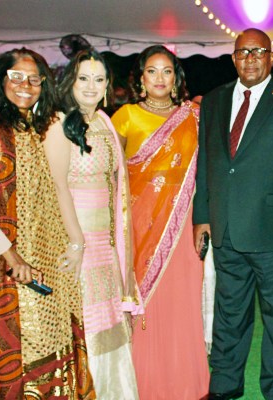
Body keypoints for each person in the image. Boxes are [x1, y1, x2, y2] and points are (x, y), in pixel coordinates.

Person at [0, 48, 94, 397]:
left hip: (34, 254)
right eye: (17, 77)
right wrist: (9, 255)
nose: (26, 86)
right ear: (1, 80)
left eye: (34, 79)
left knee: (41, 341)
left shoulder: (32, 126)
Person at [193, 28, 273, 400]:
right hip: (226, 227)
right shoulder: (213, 102)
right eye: (242, 52)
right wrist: (202, 215)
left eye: (257, 51)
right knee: (229, 315)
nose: (249, 58)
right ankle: (225, 385)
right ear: (233, 58)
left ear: (271, 56)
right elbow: (207, 164)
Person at [111, 45, 209, 400]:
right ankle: (144, 382)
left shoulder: (194, 116)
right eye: (152, 71)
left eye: (167, 71)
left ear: (176, 78)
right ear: (140, 78)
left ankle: (186, 382)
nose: (159, 79)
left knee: (182, 301)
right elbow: (112, 174)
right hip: (139, 225)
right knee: (144, 302)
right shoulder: (124, 117)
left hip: (182, 225)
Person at [50, 49, 139, 399]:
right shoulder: (58, 124)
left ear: (108, 85)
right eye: (83, 78)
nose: (91, 86)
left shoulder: (105, 122)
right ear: (70, 81)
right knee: (83, 320)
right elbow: (57, 186)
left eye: (98, 79)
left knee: (107, 319)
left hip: (105, 242)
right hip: (76, 240)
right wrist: (76, 242)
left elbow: (116, 185)